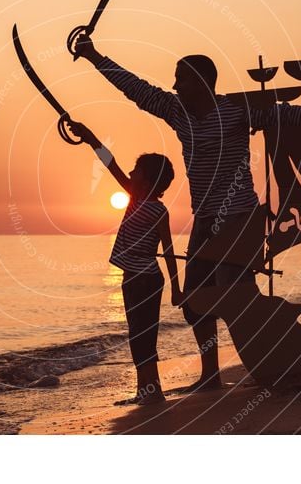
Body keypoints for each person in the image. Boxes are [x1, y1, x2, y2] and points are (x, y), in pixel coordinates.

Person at [73, 35, 301, 390]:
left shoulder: (238, 109)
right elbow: (136, 88)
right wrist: (93, 55)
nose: (174, 85)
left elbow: (286, 113)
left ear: (201, 82)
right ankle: (211, 374)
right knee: (195, 302)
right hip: (204, 220)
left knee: (236, 296)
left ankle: (268, 359)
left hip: (240, 217)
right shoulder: (176, 111)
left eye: (180, 78)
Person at [68, 120, 181, 405]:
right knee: (140, 335)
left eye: (136, 171)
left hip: (141, 279)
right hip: (143, 278)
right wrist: (89, 136)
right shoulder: (144, 201)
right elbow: (110, 162)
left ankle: (151, 391)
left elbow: (168, 250)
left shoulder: (146, 203)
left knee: (142, 335)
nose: (130, 173)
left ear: (146, 180)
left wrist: (178, 289)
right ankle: (148, 389)